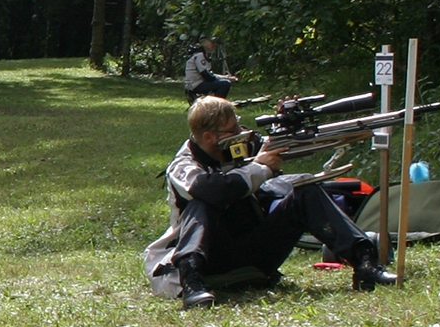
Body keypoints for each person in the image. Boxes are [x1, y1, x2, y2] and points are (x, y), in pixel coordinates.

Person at [145, 96, 396, 309]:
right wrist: (261, 168)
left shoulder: (240, 144)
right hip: (209, 259)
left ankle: (365, 263)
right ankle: (192, 282)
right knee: (201, 204)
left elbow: (264, 146)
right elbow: (216, 191)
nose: (240, 133)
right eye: (232, 130)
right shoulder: (183, 165)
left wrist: (286, 131)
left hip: (254, 252)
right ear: (209, 137)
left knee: (306, 190)